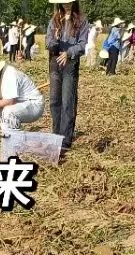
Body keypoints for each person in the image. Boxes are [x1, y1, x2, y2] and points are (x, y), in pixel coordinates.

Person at [48, 1, 87, 149]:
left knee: (67, 101)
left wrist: (69, 53)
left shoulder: (81, 21)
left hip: (70, 64)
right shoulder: (54, 20)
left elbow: (82, 45)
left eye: (69, 2)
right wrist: (55, 39)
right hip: (54, 62)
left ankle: (65, 140)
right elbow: (48, 43)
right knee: (54, 101)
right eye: (63, 2)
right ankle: (56, 135)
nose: (66, 5)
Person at [0, 58, 45, 140]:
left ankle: (16, 139)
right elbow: (5, 100)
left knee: (9, 111)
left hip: (33, 105)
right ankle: (8, 135)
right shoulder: (4, 75)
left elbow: (10, 101)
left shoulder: (9, 75)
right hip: (24, 104)